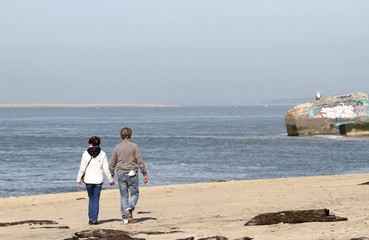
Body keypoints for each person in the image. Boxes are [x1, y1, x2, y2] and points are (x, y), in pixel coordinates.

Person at [109, 127, 149, 224]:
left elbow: (112, 163)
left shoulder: (117, 147)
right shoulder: (134, 146)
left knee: (124, 196)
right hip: (132, 173)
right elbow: (140, 161)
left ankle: (125, 218)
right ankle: (130, 207)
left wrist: (111, 175)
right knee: (135, 193)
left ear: (121, 136)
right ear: (130, 135)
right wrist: (144, 173)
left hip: (121, 173)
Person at [76, 136, 115, 225]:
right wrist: (110, 179)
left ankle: (91, 218)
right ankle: (94, 219)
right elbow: (106, 169)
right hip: (98, 180)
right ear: (99, 143)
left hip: (88, 180)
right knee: (96, 199)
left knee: (91, 199)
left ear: (90, 143)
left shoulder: (85, 153)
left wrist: (78, 179)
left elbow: (82, 168)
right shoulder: (103, 154)